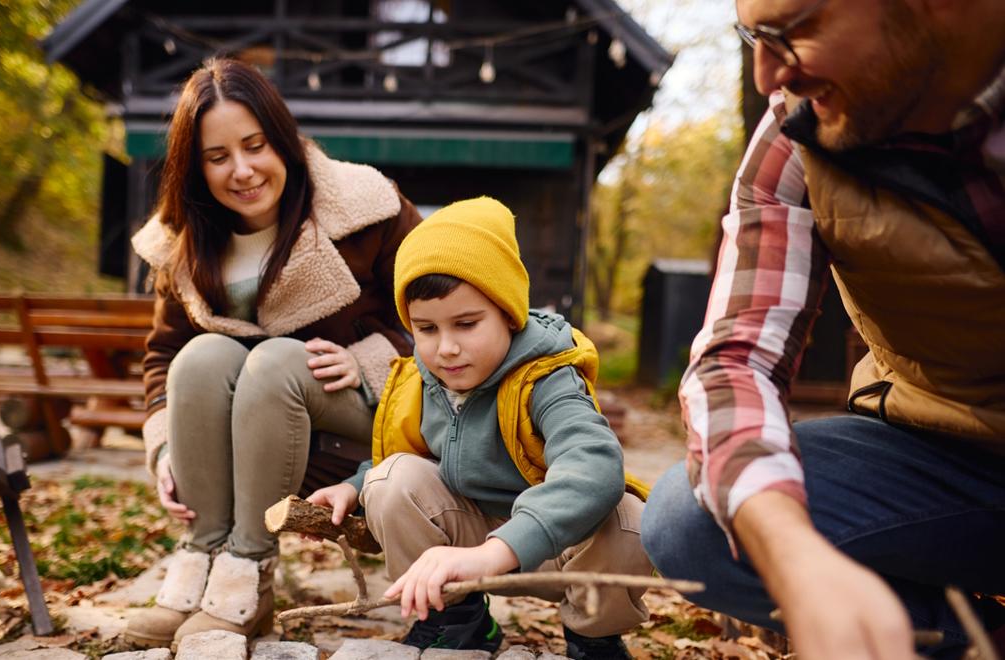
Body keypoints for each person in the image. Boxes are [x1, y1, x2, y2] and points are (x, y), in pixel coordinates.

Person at [640, 1, 1005, 658]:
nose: (765, 75)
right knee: (688, 521)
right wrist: (793, 554)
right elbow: (735, 360)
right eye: (753, 37)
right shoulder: (796, 134)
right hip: (949, 458)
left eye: (795, 29)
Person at [124, 57, 421, 649]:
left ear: (281, 139)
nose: (242, 170)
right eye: (217, 157)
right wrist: (163, 449)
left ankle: (249, 572)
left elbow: (439, 312)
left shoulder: (368, 209)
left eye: (255, 145)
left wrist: (370, 359)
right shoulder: (184, 243)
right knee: (202, 357)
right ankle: (206, 562)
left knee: (276, 360)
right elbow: (163, 357)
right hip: (241, 440)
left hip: (355, 431)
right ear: (195, 166)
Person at [308, 197, 654, 659]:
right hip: (462, 544)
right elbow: (415, 455)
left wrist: (498, 551)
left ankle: (593, 636)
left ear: (509, 313)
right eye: (426, 329)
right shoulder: (425, 380)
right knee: (389, 479)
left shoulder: (547, 377)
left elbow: (594, 467)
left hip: (558, 549)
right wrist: (353, 487)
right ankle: (455, 620)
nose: (446, 348)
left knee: (629, 520)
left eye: (466, 324)